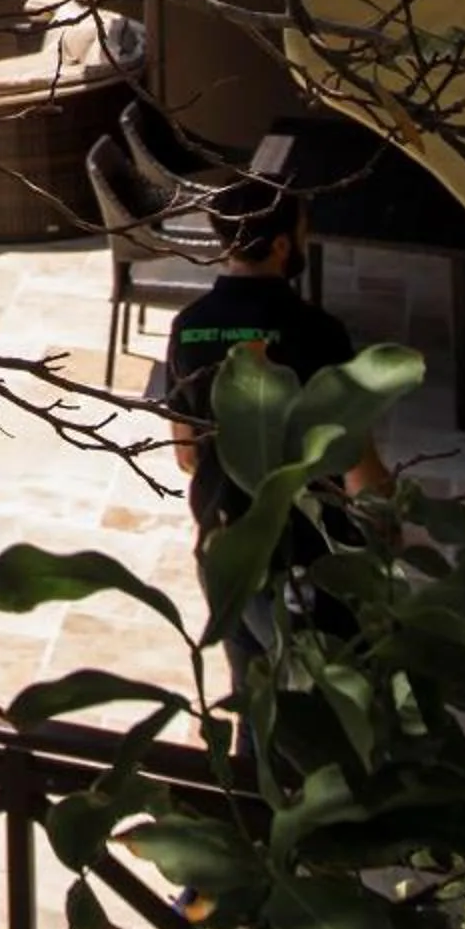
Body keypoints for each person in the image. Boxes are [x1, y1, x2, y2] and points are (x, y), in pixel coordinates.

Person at [161, 179, 386, 648]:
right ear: (282, 245)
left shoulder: (188, 327)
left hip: (225, 546)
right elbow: (355, 461)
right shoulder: (319, 334)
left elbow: (186, 454)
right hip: (307, 556)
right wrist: (389, 535)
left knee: (251, 690)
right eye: (303, 231)